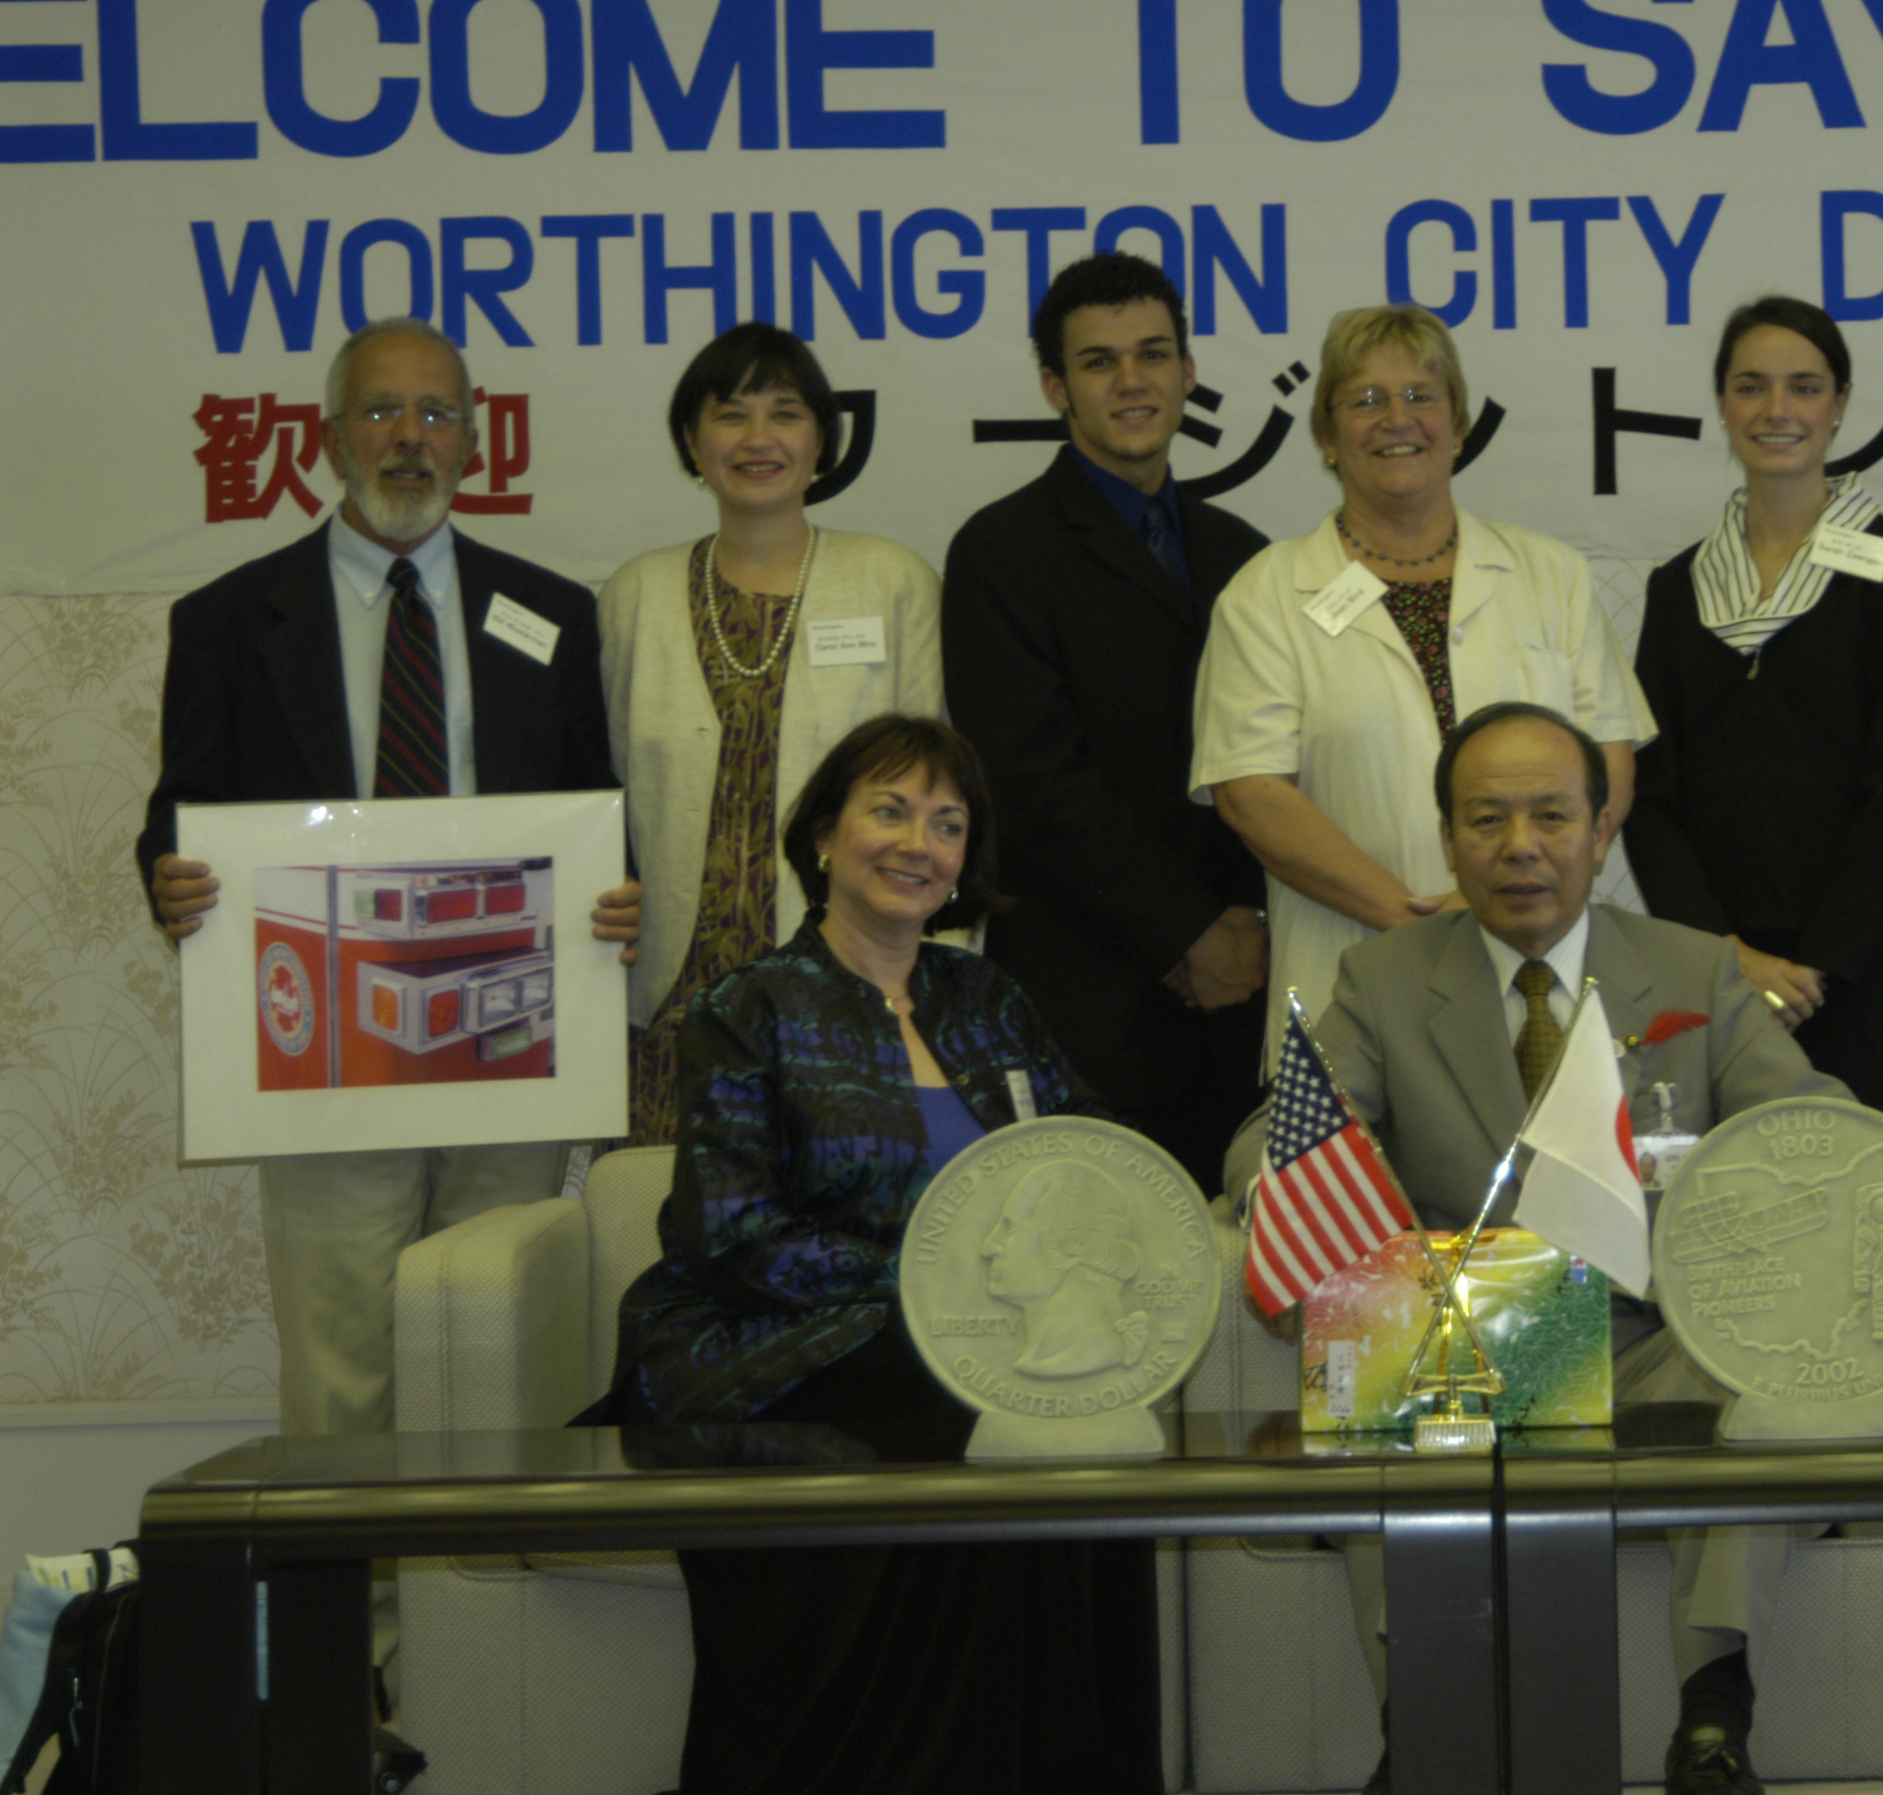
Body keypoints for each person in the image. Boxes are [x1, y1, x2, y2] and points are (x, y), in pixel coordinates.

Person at [1227, 702, 1853, 1795]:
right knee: (1374, 1356)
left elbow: (1812, 1126)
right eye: (1487, 819)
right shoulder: (1383, 978)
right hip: (1470, 1342)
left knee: (1762, 1361)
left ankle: (1712, 1723)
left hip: (1653, 1339)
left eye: (1552, 816)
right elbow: (1271, 1140)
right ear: (1447, 838)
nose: (1520, 846)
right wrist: (1315, 1210)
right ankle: (1419, 1731)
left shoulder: (1695, 969)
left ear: (1601, 831)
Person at [601, 715, 1158, 1795]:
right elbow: (729, 1236)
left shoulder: (988, 1000)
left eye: (947, 824)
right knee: (955, 1396)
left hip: (982, 1340)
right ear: (822, 834)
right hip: (774, 1347)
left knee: (1089, 1399)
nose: (918, 843)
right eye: (889, 811)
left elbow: (1089, 1155)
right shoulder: (747, 1008)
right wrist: (933, 1287)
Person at [136, 315, 640, 1442]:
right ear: (328, 438)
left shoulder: (553, 613)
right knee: (344, 1364)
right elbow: (182, 808)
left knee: (496, 1347)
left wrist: (617, 891)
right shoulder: (227, 620)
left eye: (436, 413)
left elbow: (590, 801)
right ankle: (347, 1567)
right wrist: (169, 876)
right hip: (326, 1048)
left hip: (509, 1041)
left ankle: (482, 1563)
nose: (409, 435)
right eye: (380, 410)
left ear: (473, 442)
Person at [1193, 304, 1652, 1072]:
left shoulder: (1553, 575)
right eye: (1365, 400)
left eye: (1420, 396)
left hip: (1539, 966)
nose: (1396, 419)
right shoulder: (1266, 592)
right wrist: (1418, 920)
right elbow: (1251, 792)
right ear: (1326, 435)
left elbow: (1608, 757)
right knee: (1360, 1150)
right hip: (1349, 975)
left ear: (1459, 426)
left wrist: (1505, 899)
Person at [944, 252, 1270, 1191]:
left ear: (1188, 372)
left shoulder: (1242, 552)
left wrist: (1244, 926)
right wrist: (1188, 934)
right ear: (1056, 387)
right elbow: (1033, 784)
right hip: (1090, 1003)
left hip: (1244, 999)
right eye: (1099, 361)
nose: (1132, 381)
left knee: (1255, 1263)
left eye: (1153, 354)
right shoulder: (1000, 551)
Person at [600, 321, 942, 1146]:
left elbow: (939, 808)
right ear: (692, 441)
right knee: (666, 1210)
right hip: (675, 995)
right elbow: (602, 797)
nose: (759, 438)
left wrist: (929, 983)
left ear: (822, 438)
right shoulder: (635, 594)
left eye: (786, 413)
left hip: (853, 989)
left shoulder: (893, 581)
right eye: (730, 414)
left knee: (846, 1202)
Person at [1623, 296, 1883, 1137]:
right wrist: (1723, 954)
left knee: (1872, 1198)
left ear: (1841, 404)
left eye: (1804, 387)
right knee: (1720, 1206)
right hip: (1710, 975)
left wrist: (1814, 964)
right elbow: (1648, 794)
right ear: (1722, 403)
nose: (1777, 410)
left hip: (1861, 971)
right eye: (1751, 386)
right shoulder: (1678, 587)